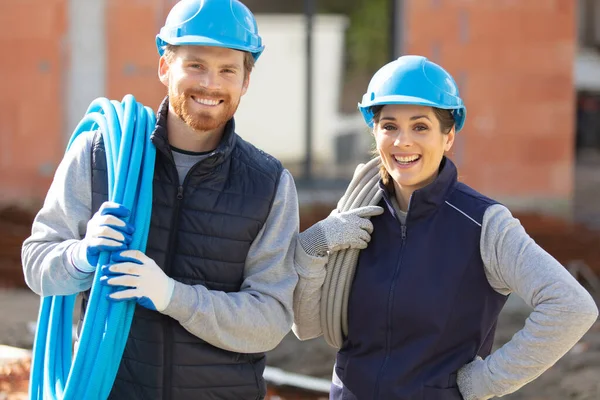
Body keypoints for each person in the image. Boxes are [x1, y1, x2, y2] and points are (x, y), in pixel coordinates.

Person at [21, 0, 299, 399]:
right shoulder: (100, 153)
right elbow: (37, 264)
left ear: (245, 81)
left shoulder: (269, 184)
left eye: (227, 70)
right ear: (165, 67)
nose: (211, 84)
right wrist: (80, 256)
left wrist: (172, 296)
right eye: (196, 65)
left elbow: (271, 319)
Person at [292, 55, 599, 400]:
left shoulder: (483, 224)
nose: (402, 141)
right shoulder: (355, 214)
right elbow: (307, 326)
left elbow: (571, 307)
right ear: (374, 131)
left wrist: (485, 382)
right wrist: (313, 246)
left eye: (420, 126)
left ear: (449, 136)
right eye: (389, 126)